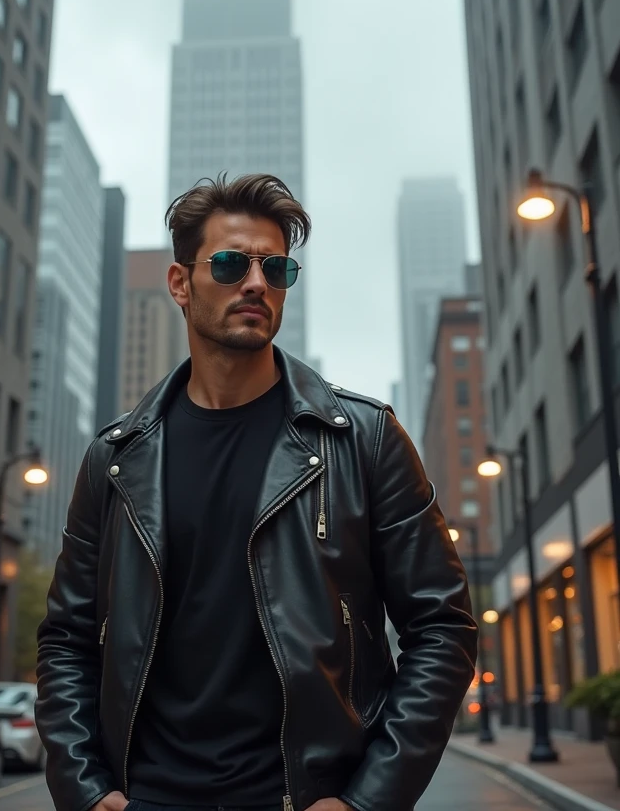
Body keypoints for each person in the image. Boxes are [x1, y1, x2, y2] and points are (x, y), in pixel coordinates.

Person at [35, 173, 478, 811]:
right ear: (180, 283)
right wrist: (84, 789)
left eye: (275, 268)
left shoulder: (364, 439)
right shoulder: (115, 458)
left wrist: (368, 801)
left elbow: (442, 625)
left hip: (300, 797)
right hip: (149, 797)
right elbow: (68, 638)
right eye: (230, 263)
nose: (256, 282)